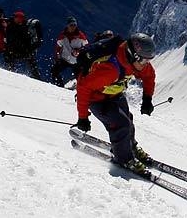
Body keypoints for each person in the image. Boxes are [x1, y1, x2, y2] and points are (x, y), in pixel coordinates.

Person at [73, 33, 156, 174]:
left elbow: (149, 75)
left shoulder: (135, 63)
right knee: (121, 124)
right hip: (97, 99)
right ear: (133, 55)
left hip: (114, 94)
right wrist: (83, 117)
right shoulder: (110, 70)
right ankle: (124, 159)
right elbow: (83, 87)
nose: (146, 64)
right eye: (144, 61)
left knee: (128, 119)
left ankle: (130, 146)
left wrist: (147, 99)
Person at [51, 17, 88, 87]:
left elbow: (87, 47)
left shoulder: (81, 35)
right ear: (67, 26)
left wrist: (79, 51)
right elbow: (58, 47)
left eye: (74, 25)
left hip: (77, 61)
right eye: (71, 25)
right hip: (65, 59)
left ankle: (82, 90)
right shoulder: (62, 36)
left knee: (81, 78)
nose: (73, 27)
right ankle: (60, 87)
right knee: (54, 72)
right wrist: (57, 58)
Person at [4, 10, 41, 80]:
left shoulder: (12, 25)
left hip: (21, 50)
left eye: (20, 18)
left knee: (30, 60)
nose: (19, 19)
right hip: (20, 50)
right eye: (17, 18)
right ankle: (10, 73)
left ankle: (36, 76)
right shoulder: (18, 26)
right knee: (30, 61)